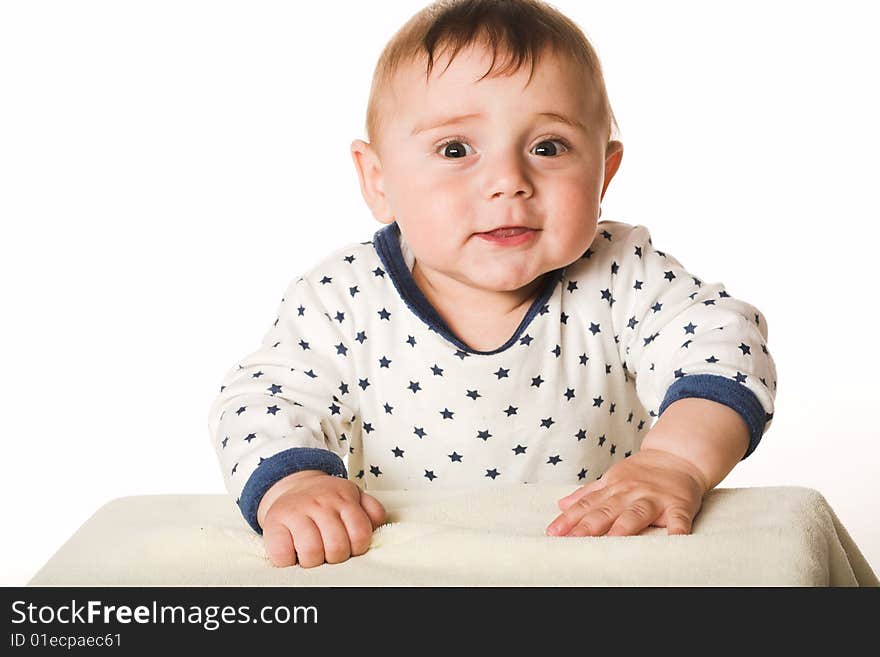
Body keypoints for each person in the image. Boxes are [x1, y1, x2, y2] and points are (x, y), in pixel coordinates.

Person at [207, 0, 777, 568]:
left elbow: (725, 347)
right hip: (407, 573)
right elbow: (262, 401)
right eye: (456, 150)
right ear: (378, 180)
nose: (509, 182)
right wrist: (295, 484)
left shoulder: (624, 275)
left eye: (548, 147)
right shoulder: (341, 299)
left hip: (587, 567)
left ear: (603, 174)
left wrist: (672, 462)